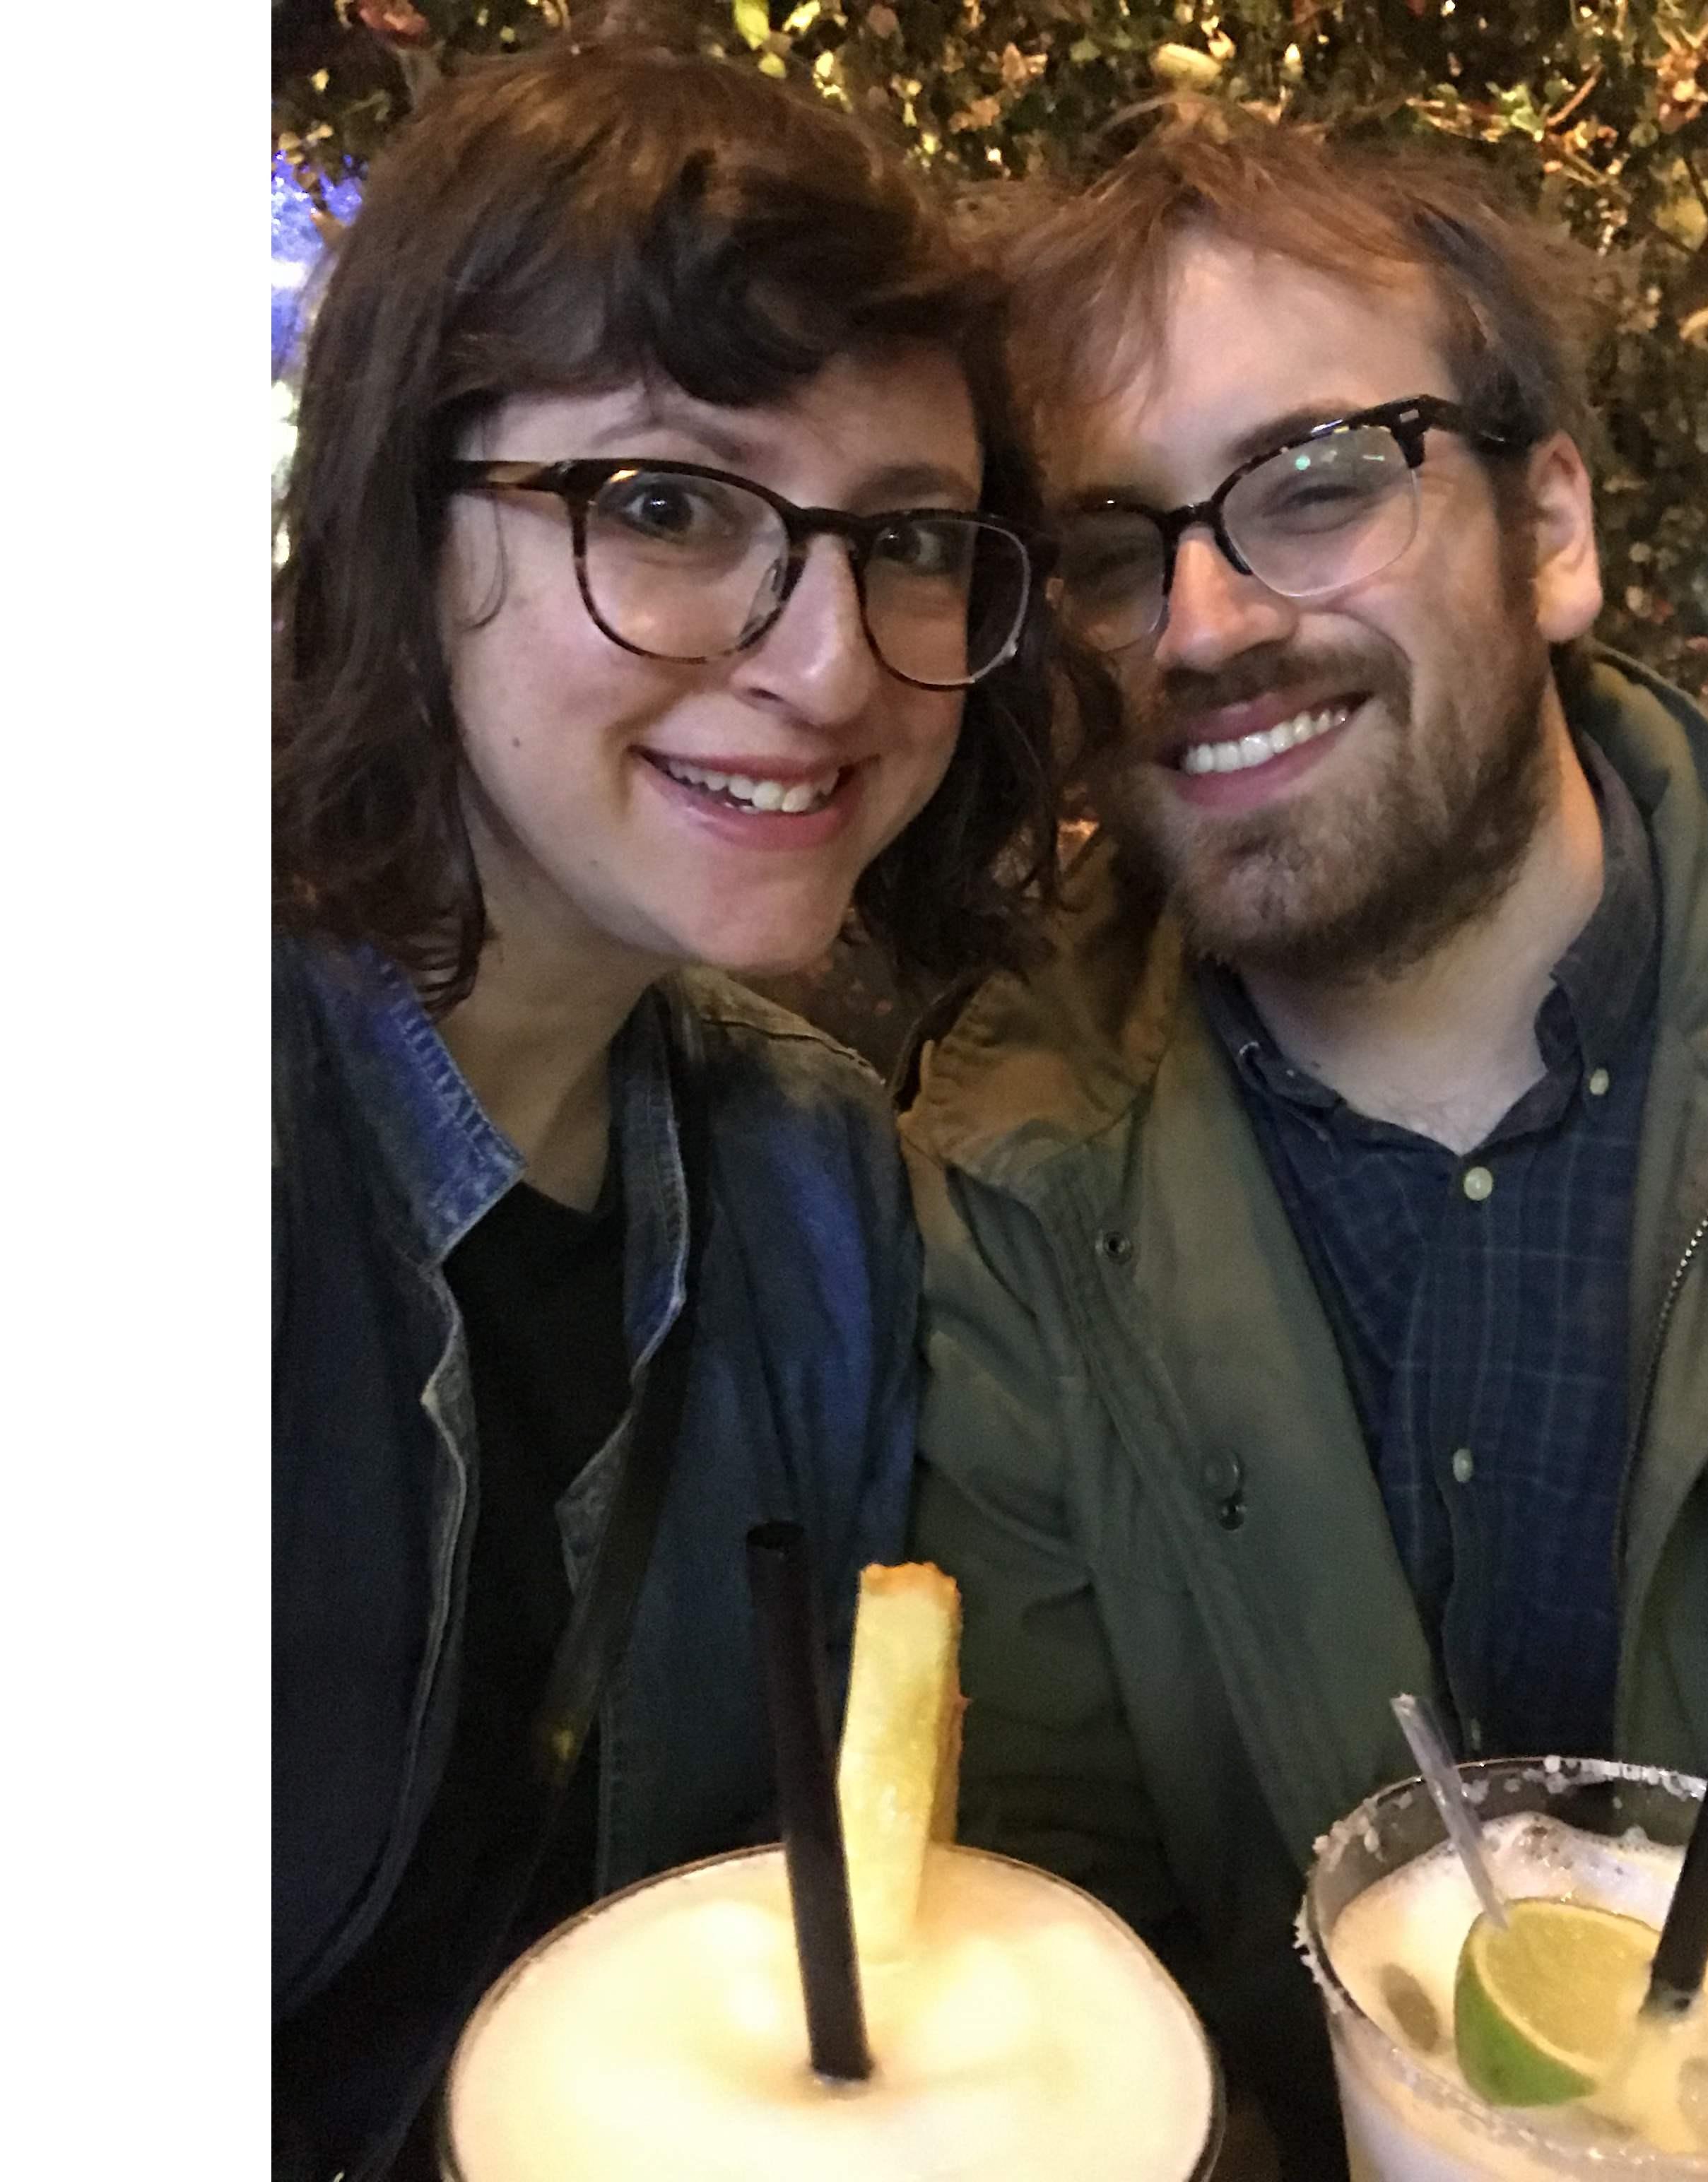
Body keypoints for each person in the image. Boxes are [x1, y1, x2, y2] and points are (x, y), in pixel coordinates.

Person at [902, 116, 1708, 2169]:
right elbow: (1064, 1939)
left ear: (1554, 530)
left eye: (1316, 482)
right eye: (1114, 551)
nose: (1200, 626)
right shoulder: (1003, 1186)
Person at [271, 23, 1064, 2178]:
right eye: (668, 506)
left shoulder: (814, 1182)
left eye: (911, 539)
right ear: (399, 516)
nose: (831, 666)